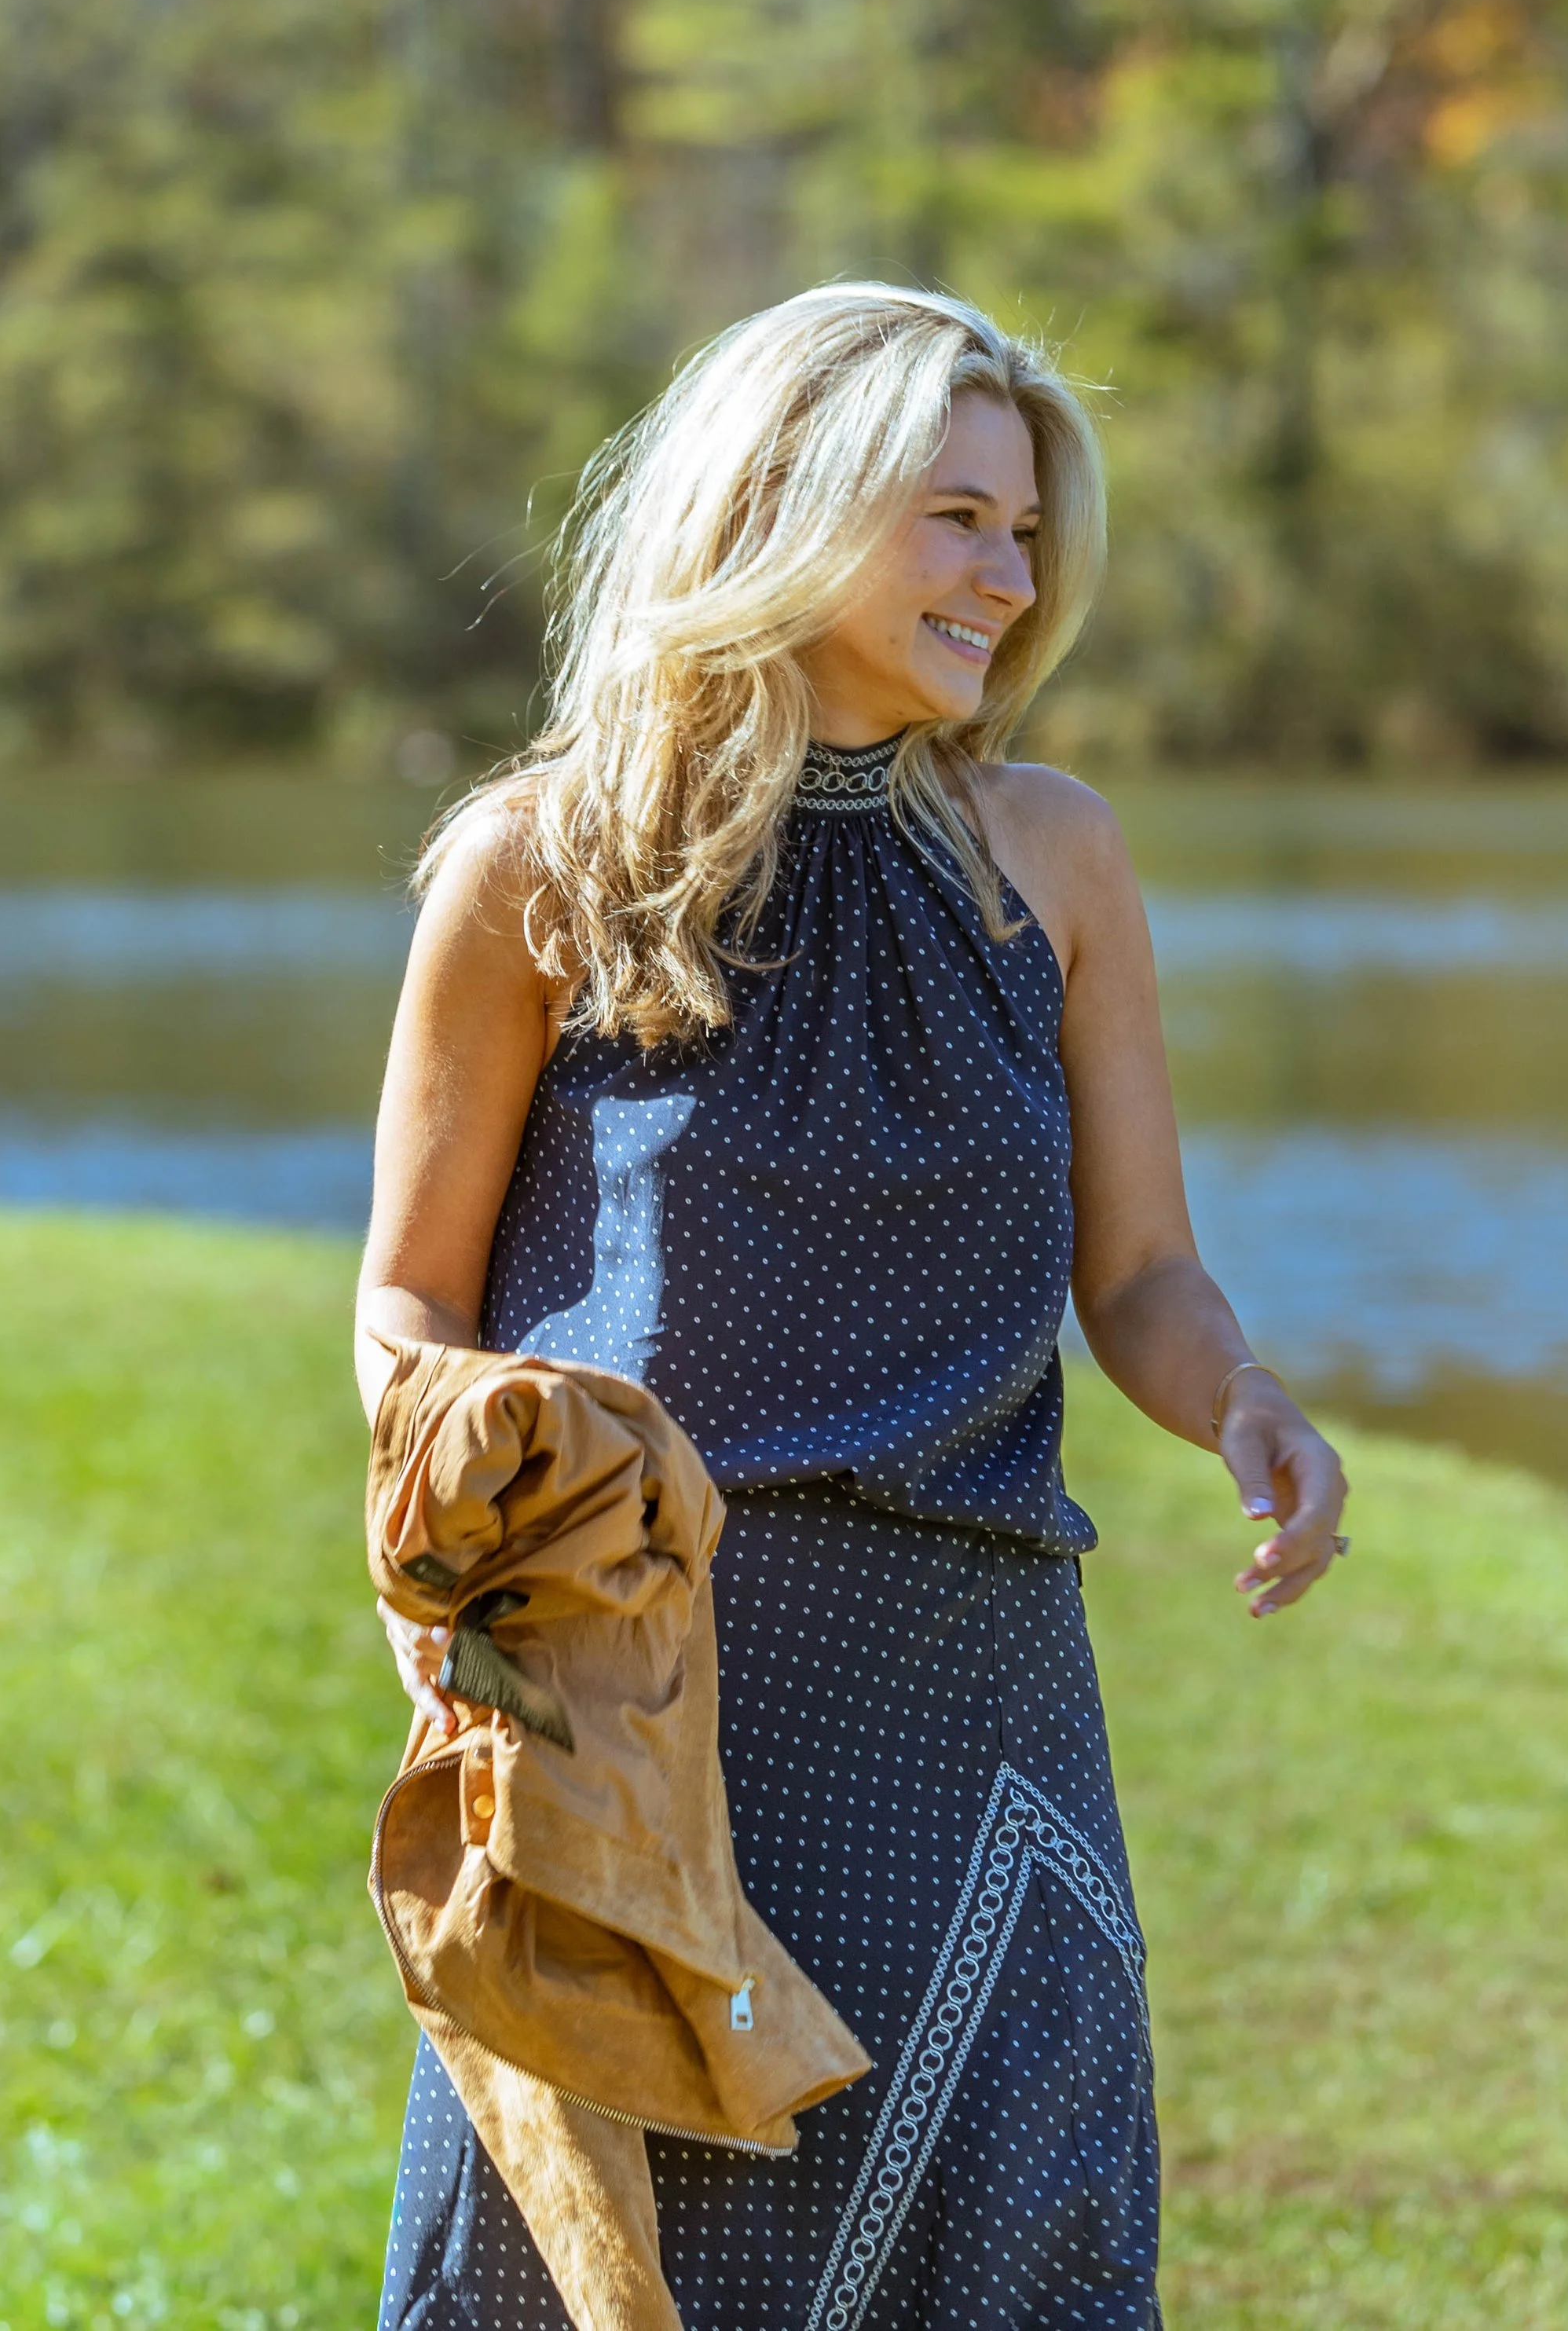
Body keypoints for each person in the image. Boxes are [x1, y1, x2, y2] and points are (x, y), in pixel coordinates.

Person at [358, 283, 1347, 2331]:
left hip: (979, 1701)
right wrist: (457, 1571)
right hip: (636, 1694)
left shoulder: (1050, 858)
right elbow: (412, 1293)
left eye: (1026, 531)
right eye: (957, 518)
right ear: (783, 505)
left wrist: (1241, 1395)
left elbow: (1139, 1272)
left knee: (1014, 2246)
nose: (1013, 577)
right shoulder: (544, 861)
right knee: (599, 2274)